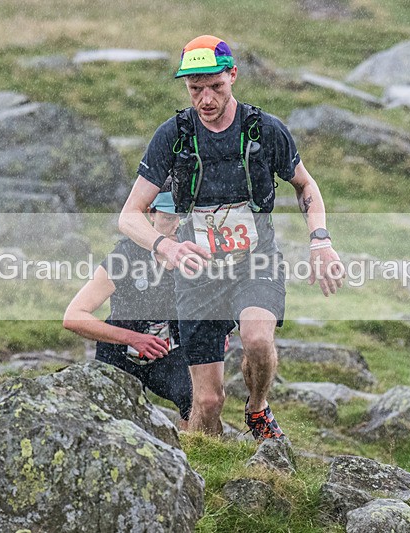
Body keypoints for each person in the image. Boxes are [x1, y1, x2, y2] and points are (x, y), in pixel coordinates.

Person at [118, 35, 344, 440]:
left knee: (257, 339)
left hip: (255, 263)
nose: (205, 99)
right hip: (198, 273)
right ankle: (206, 476)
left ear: (233, 75)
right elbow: (129, 216)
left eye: (215, 87)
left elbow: (305, 185)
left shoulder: (266, 131)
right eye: (195, 89)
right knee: (206, 403)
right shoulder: (174, 136)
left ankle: (257, 409)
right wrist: (164, 245)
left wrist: (321, 241)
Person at [64, 192, 192, 427]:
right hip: (119, 351)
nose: (175, 227)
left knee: (197, 399)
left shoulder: (193, 252)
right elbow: (73, 316)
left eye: (181, 219)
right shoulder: (124, 257)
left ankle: (190, 457)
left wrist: (219, 330)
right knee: (111, 419)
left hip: (169, 353)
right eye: (167, 218)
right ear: (150, 215)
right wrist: (133, 338)